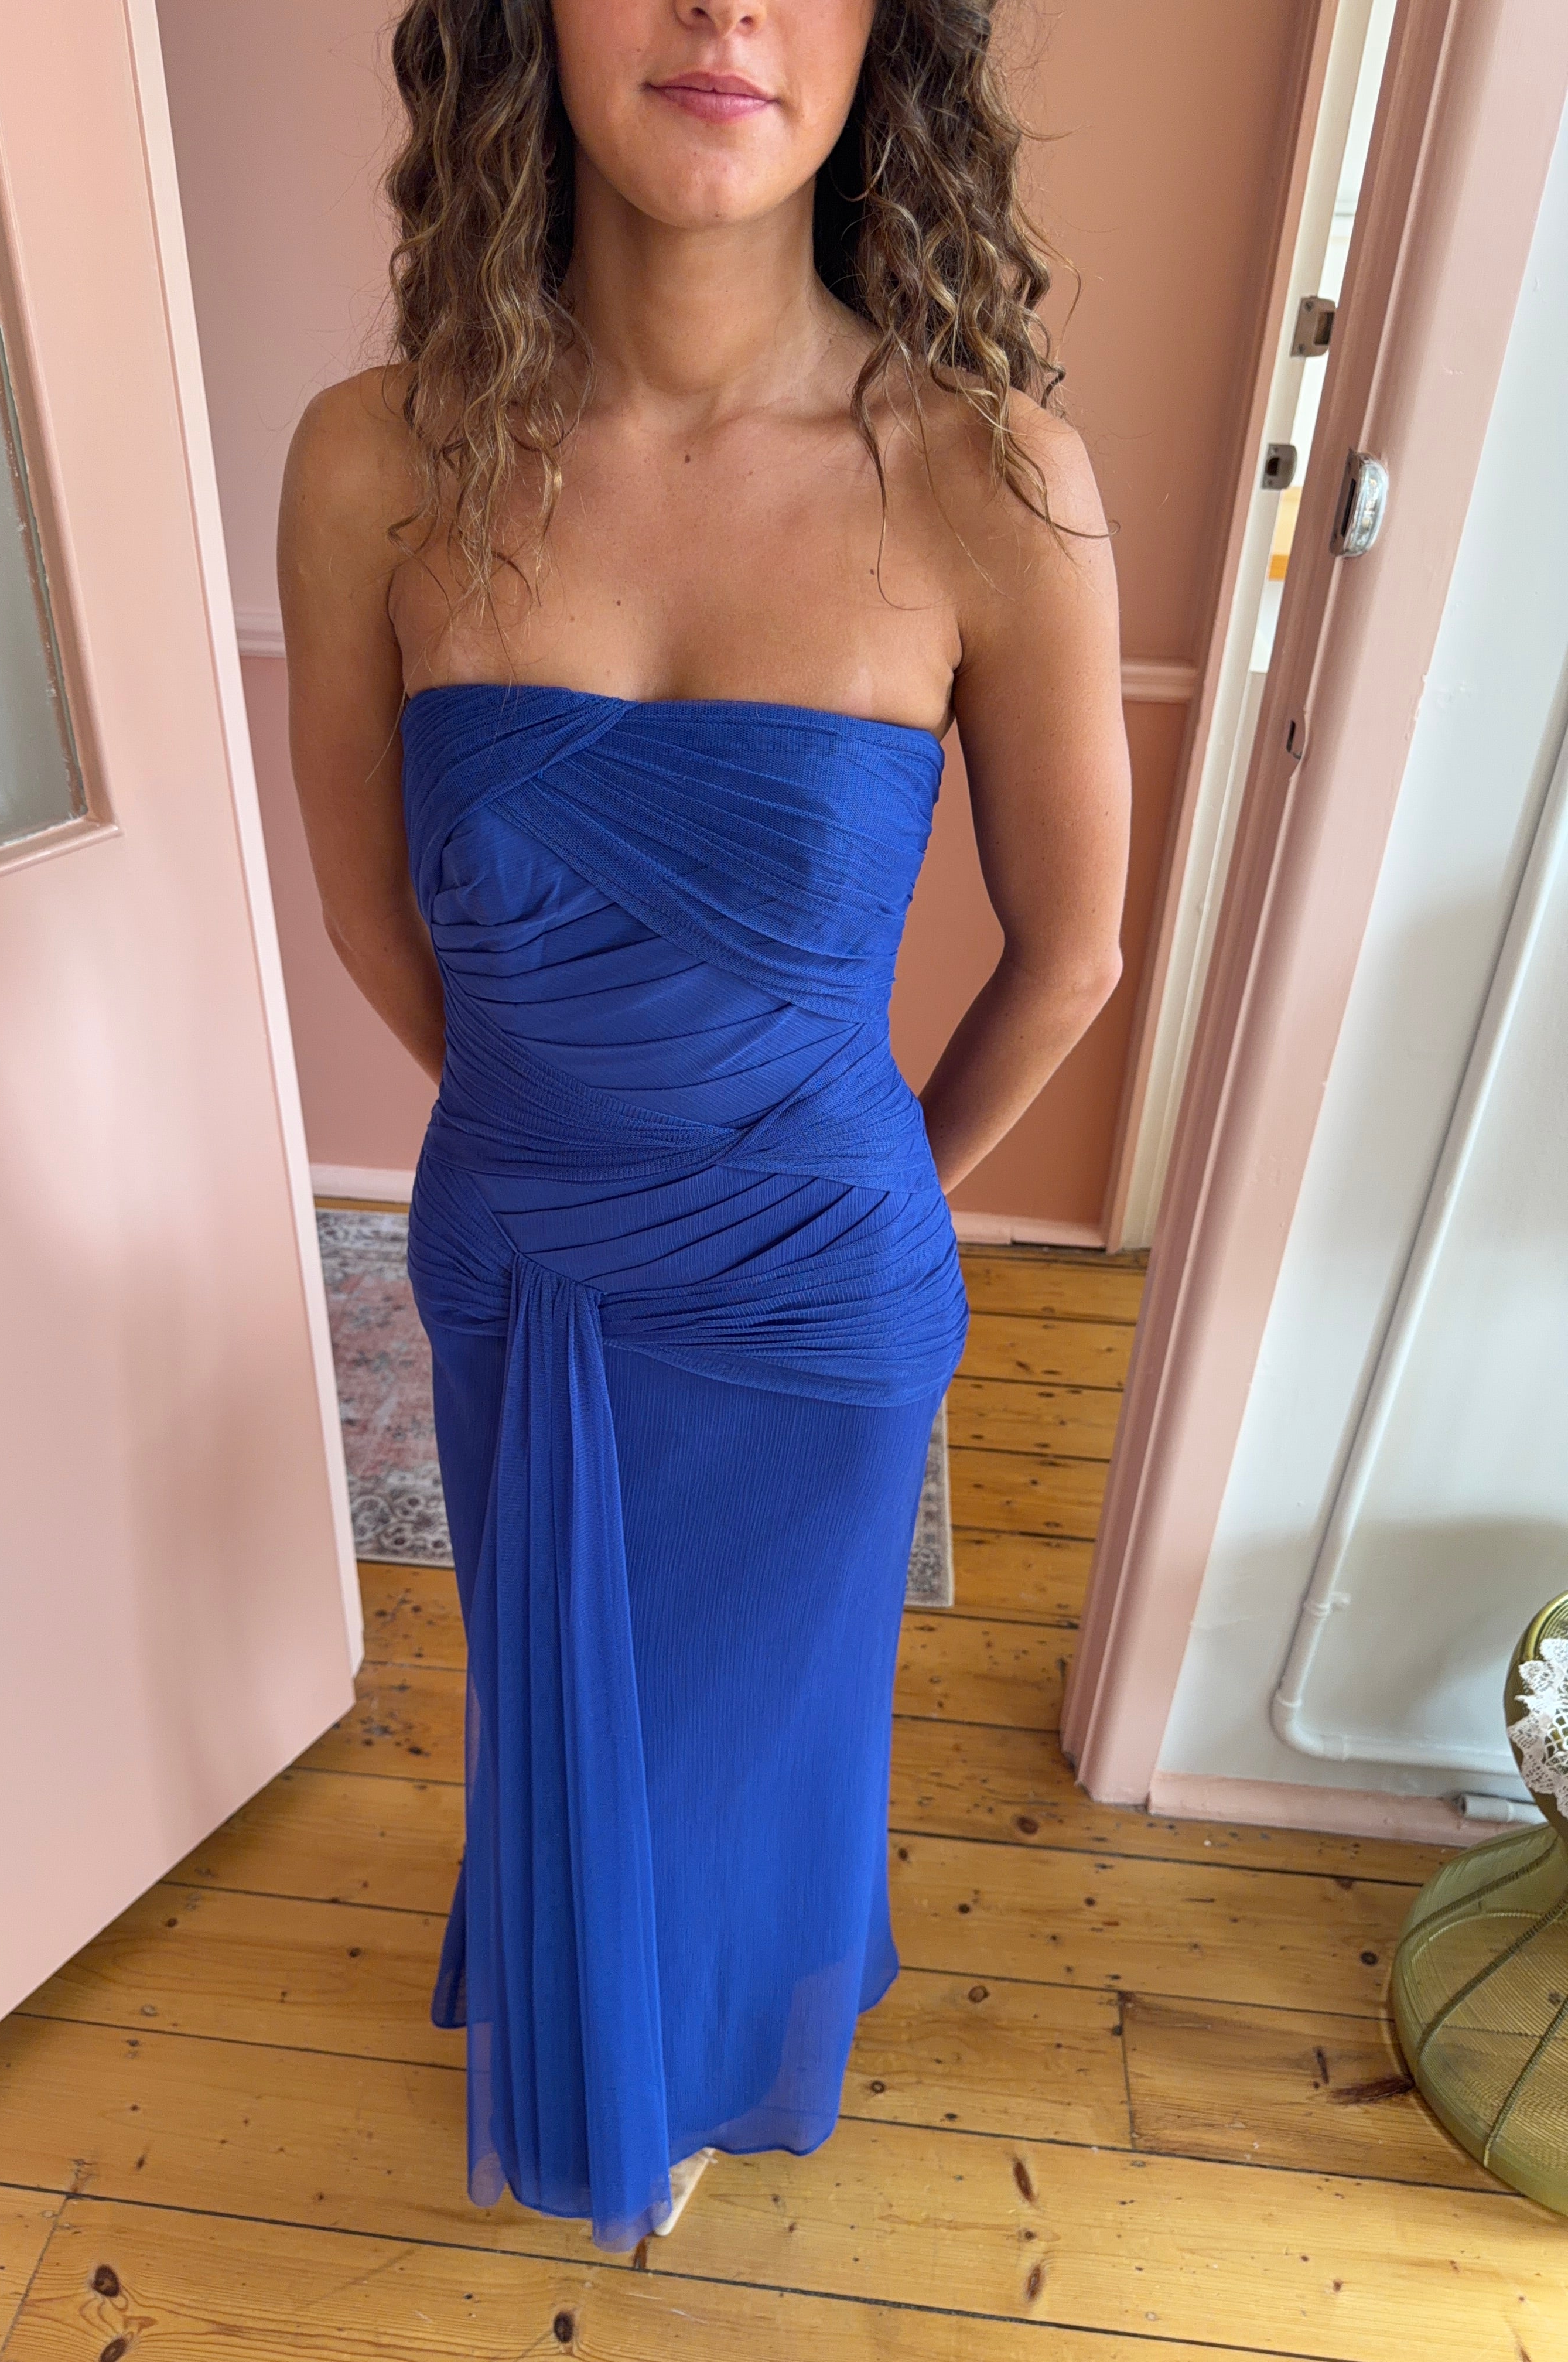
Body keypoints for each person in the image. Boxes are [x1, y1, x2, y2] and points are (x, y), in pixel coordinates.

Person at [277, 0, 1130, 2254]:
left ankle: (708, 2045)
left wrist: (845, 1189)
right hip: (518, 1253)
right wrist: (565, 1139)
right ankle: (602, 2030)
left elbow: (1073, 957)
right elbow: (370, 917)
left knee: (761, 1739)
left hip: (816, 1297)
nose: (726, 9)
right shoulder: (376, 460)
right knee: (555, 1696)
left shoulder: (992, 478)